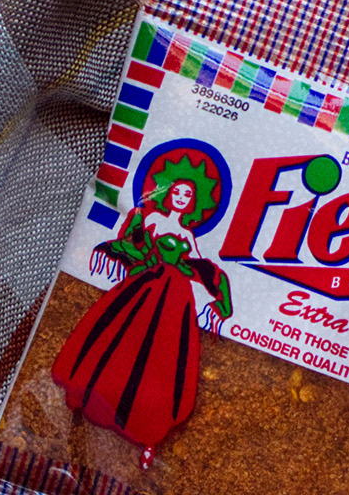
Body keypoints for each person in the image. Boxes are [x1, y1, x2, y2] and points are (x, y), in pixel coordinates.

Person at [52, 154, 232, 468]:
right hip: (143, 288)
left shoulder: (188, 237)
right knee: (119, 339)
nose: (180, 197)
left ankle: (147, 434)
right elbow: (129, 242)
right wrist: (127, 251)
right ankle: (87, 397)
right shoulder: (150, 218)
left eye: (188, 195)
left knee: (161, 362)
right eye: (177, 191)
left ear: (195, 203)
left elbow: (199, 268)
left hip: (176, 301)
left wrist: (219, 299)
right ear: (168, 191)